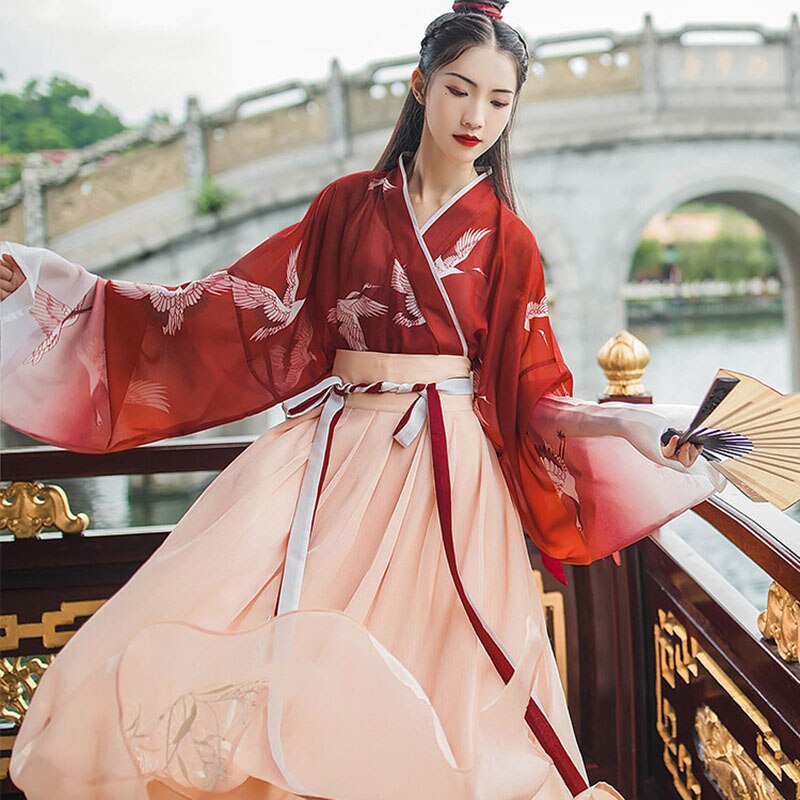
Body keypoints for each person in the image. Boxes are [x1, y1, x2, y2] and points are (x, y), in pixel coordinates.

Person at [0, 2, 719, 798]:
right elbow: (227, 309)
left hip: (447, 480)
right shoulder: (346, 205)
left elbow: (536, 394)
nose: (475, 115)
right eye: (458, 89)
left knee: (435, 666)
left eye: (498, 99)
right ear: (419, 85)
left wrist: (633, 422)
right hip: (333, 461)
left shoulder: (508, 241)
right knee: (241, 613)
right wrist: (64, 286)